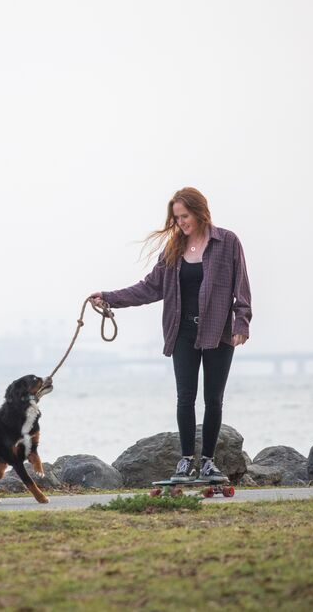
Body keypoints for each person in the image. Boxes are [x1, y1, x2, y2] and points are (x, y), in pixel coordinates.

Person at [89, 186, 251, 482]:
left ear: (200, 212)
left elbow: (242, 287)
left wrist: (242, 322)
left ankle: (208, 463)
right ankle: (186, 461)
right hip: (182, 332)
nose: (181, 223)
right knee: (185, 396)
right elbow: (150, 288)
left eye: (184, 216)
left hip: (219, 331)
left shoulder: (227, 242)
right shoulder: (174, 249)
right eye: (176, 218)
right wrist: (109, 297)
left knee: (213, 398)